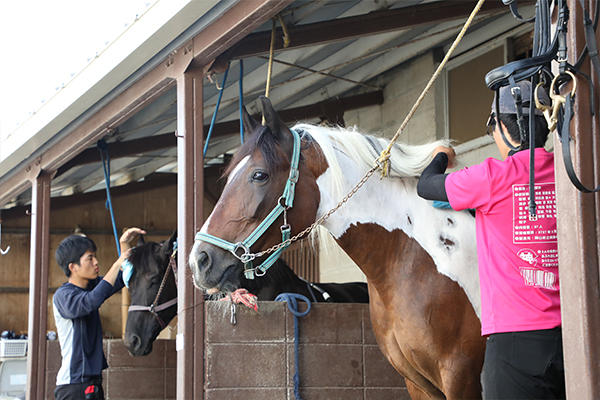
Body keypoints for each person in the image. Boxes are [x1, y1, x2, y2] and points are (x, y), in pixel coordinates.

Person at [417, 80, 565, 399]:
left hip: (515, 345)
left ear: (501, 127)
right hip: (574, 337)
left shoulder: (490, 178)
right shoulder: (567, 172)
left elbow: (426, 185)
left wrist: (442, 154)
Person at [53, 227, 145, 400]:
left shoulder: (92, 287)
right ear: (73, 267)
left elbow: (124, 276)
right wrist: (116, 263)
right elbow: (91, 301)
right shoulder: (63, 296)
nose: (96, 262)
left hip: (92, 383)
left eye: (95, 256)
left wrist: (124, 244)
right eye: (90, 258)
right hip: (73, 386)